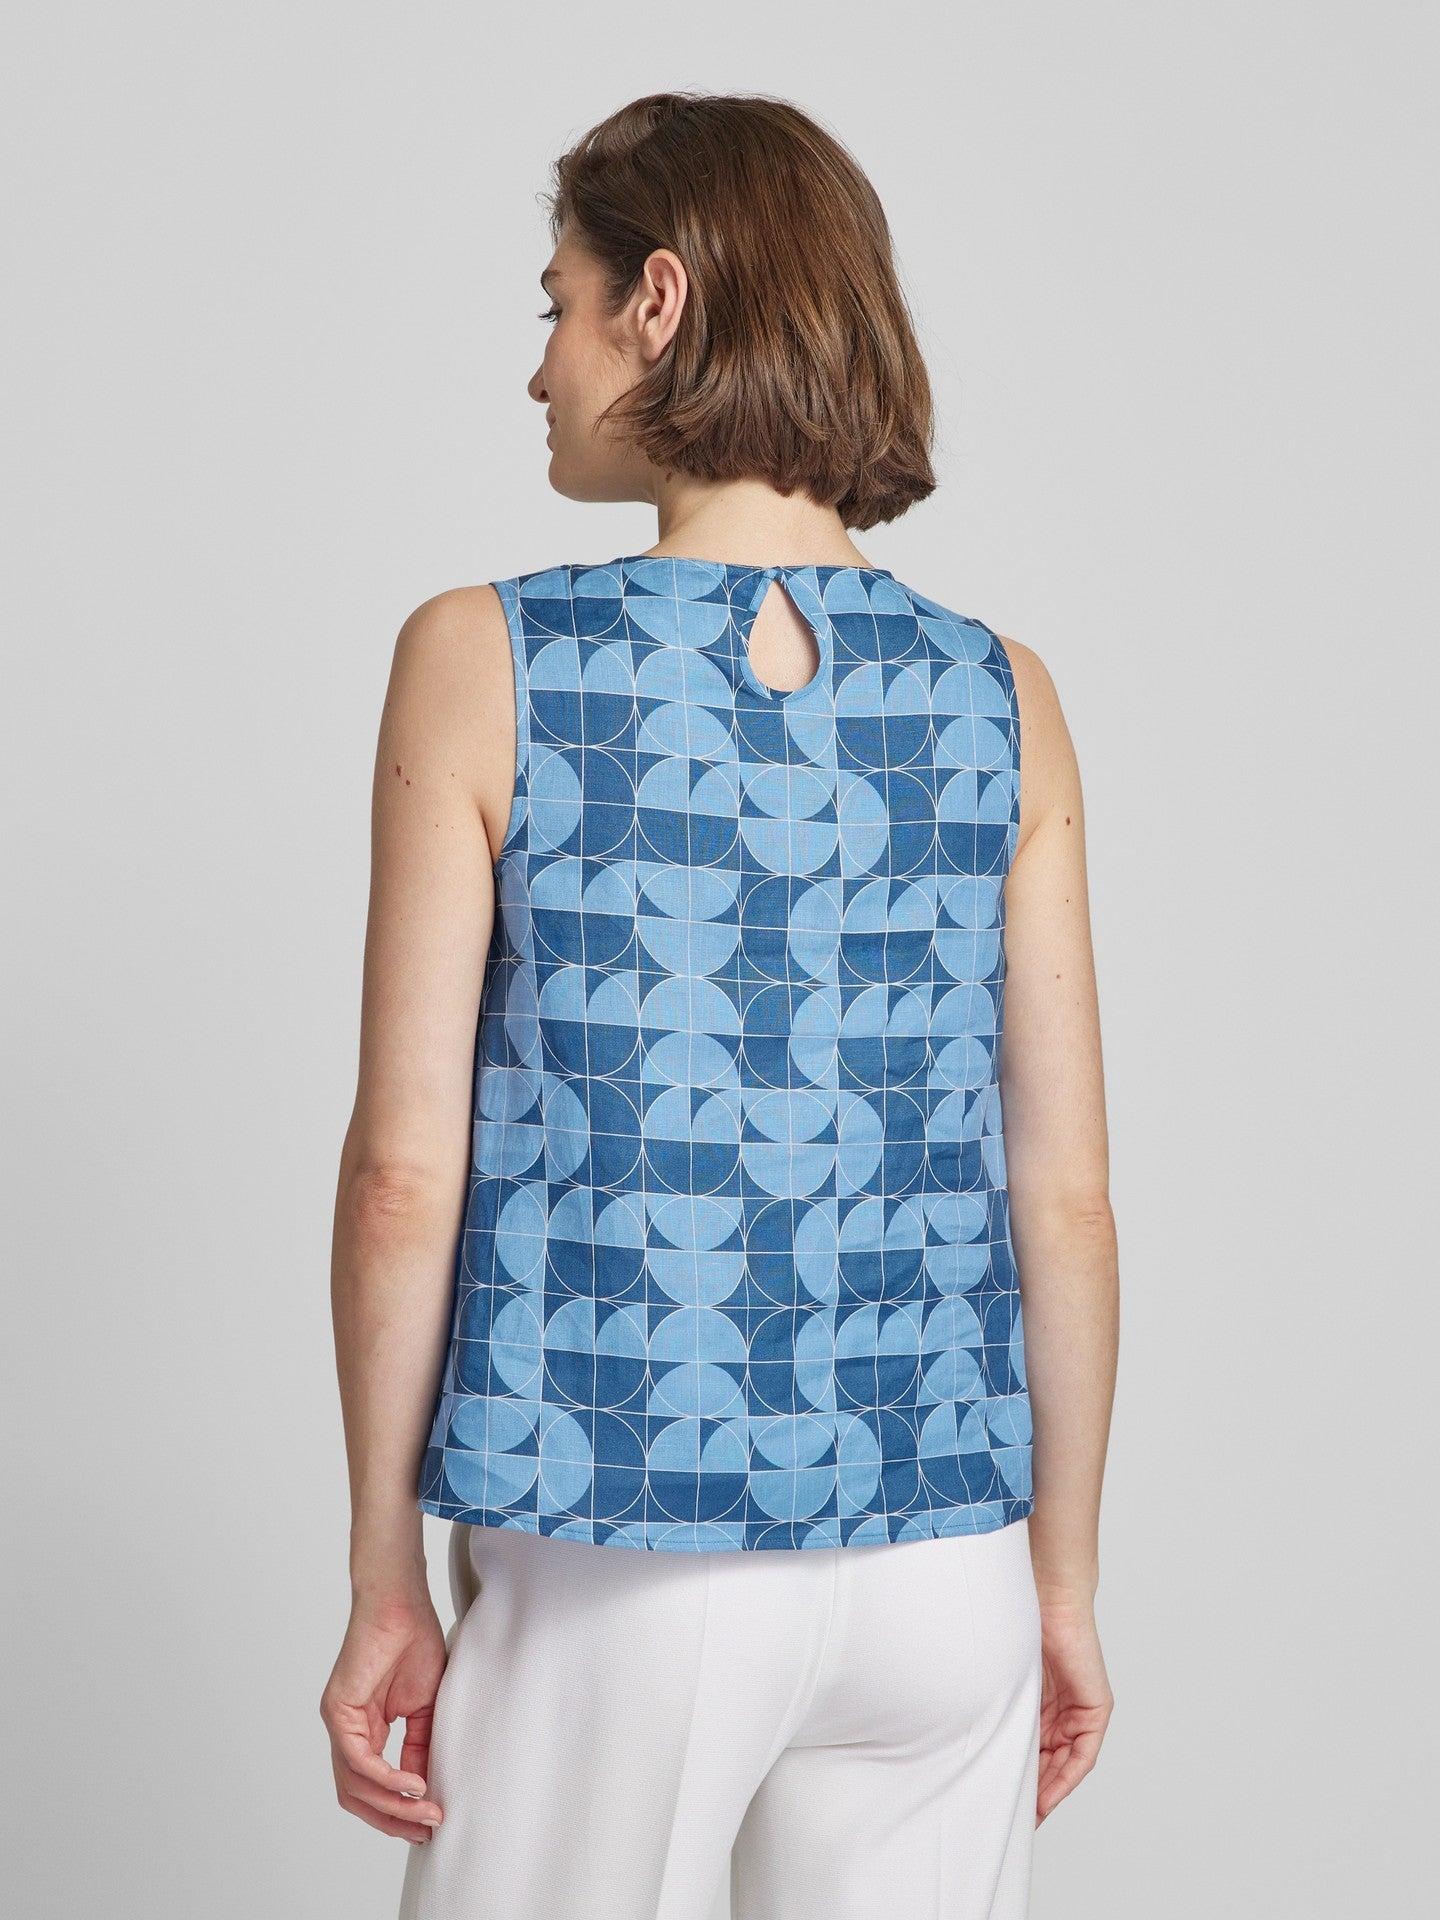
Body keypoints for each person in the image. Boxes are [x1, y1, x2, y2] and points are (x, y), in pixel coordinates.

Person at [320, 90, 1119, 1920]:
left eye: (559, 307)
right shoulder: (1004, 693)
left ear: (659, 301)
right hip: (945, 1561)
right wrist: (1058, 1581)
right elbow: (1065, 1197)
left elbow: (403, 1173)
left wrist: (382, 1575)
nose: (540, 368)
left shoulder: (487, 658)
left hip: (617, 1533)